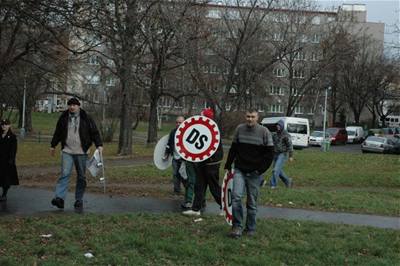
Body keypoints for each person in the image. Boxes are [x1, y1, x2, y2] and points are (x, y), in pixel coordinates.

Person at [224, 109, 274, 238]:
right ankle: (237, 227)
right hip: (240, 169)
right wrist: (228, 164)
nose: (250, 119)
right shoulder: (239, 129)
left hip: (255, 173)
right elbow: (234, 148)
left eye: (253, 117)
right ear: (245, 116)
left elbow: (270, 154)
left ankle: (250, 228)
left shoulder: (264, 132)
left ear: (257, 118)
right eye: (248, 116)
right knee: (236, 198)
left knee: (251, 202)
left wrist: (260, 170)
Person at [50, 97, 103, 210]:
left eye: (74, 105)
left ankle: (79, 199)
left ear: (78, 106)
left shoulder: (86, 118)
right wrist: (53, 145)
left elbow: (94, 132)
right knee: (64, 174)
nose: (72, 107)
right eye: (70, 105)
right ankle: (59, 198)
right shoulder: (64, 117)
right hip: (67, 151)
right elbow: (58, 132)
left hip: (81, 152)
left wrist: (99, 145)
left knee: (81, 177)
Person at [183, 108, 223, 216]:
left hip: (212, 162)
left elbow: (211, 146)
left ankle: (226, 207)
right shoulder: (203, 127)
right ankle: (196, 209)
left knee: (213, 186)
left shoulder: (213, 128)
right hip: (203, 161)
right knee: (199, 185)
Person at [163, 116, 196, 209]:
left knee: (184, 176)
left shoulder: (188, 132)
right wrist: (166, 154)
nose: (178, 124)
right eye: (177, 122)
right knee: (175, 174)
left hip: (184, 159)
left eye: (180, 122)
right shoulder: (173, 132)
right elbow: (169, 144)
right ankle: (177, 191)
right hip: (175, 157)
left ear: (184, 123)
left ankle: (188, 192)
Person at [267, 119, 294, 188]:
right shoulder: (275, 135)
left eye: (279, 125)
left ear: (282, 126)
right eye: (277, 125)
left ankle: (273, 185)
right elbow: (271, 143)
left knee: (275, 170)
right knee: (278, 170)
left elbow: (290, 146)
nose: (278, 127)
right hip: (275, 154)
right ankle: (288, 181)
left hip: (283, 154)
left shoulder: (286, 135)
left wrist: (291, 156)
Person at [0, 119, 19, 202]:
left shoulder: (12, 136)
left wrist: (11, 159)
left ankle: (4, 194)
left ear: (9, 125)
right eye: (2, 124)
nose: (4, 126)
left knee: (6, 179)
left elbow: (14, 149)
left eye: (6, 124)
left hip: (7, 161)